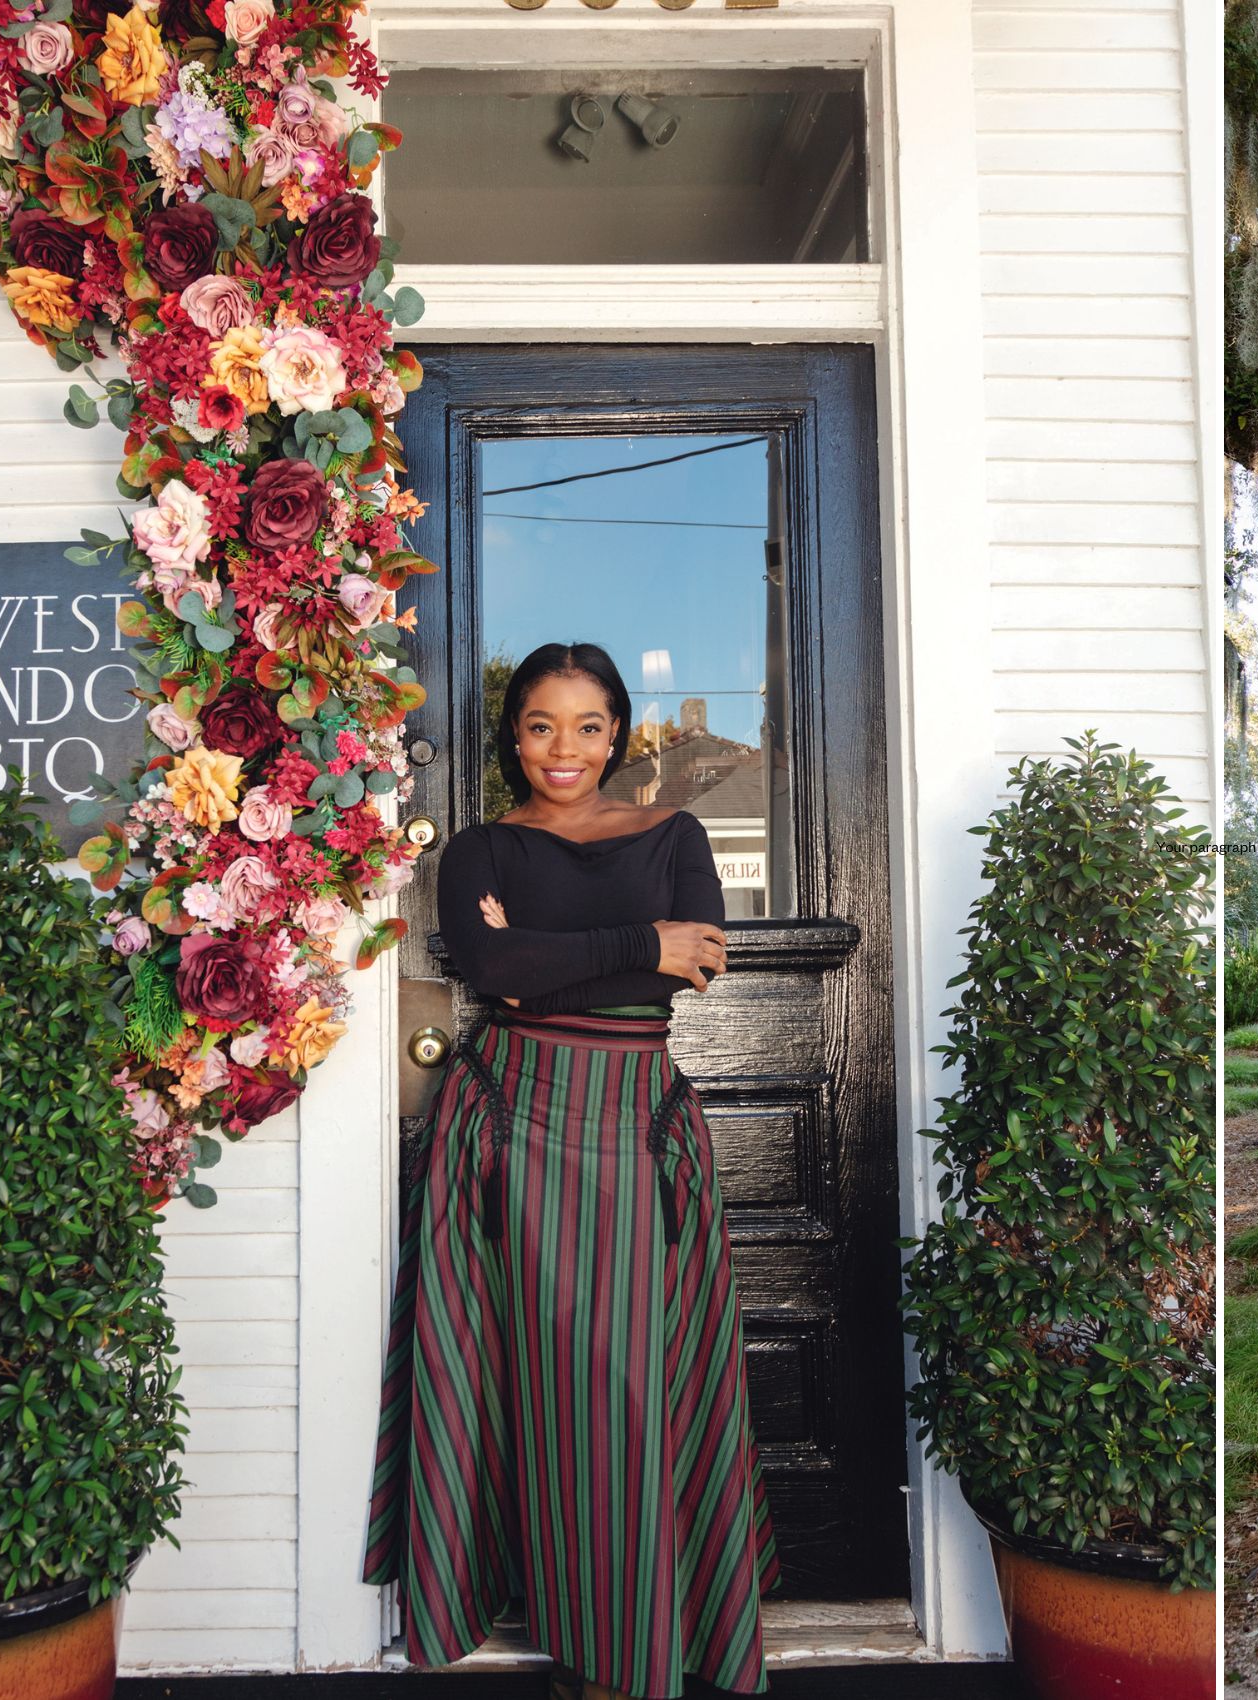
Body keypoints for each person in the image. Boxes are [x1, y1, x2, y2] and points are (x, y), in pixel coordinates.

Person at [364, 642, 778, 1700]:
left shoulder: (676, 830)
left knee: (632, 1389)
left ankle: (626, 1650)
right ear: (513, 734)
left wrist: (564, 947)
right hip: (510, 1127)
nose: (564, 748)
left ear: (620, 733)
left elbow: (707, 954)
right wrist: (642, 937)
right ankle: (548, 1620)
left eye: (588, 725)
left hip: (633, 1125)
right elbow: (493, 967)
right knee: (518, 1387)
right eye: (541, 723)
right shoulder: (478, 850)